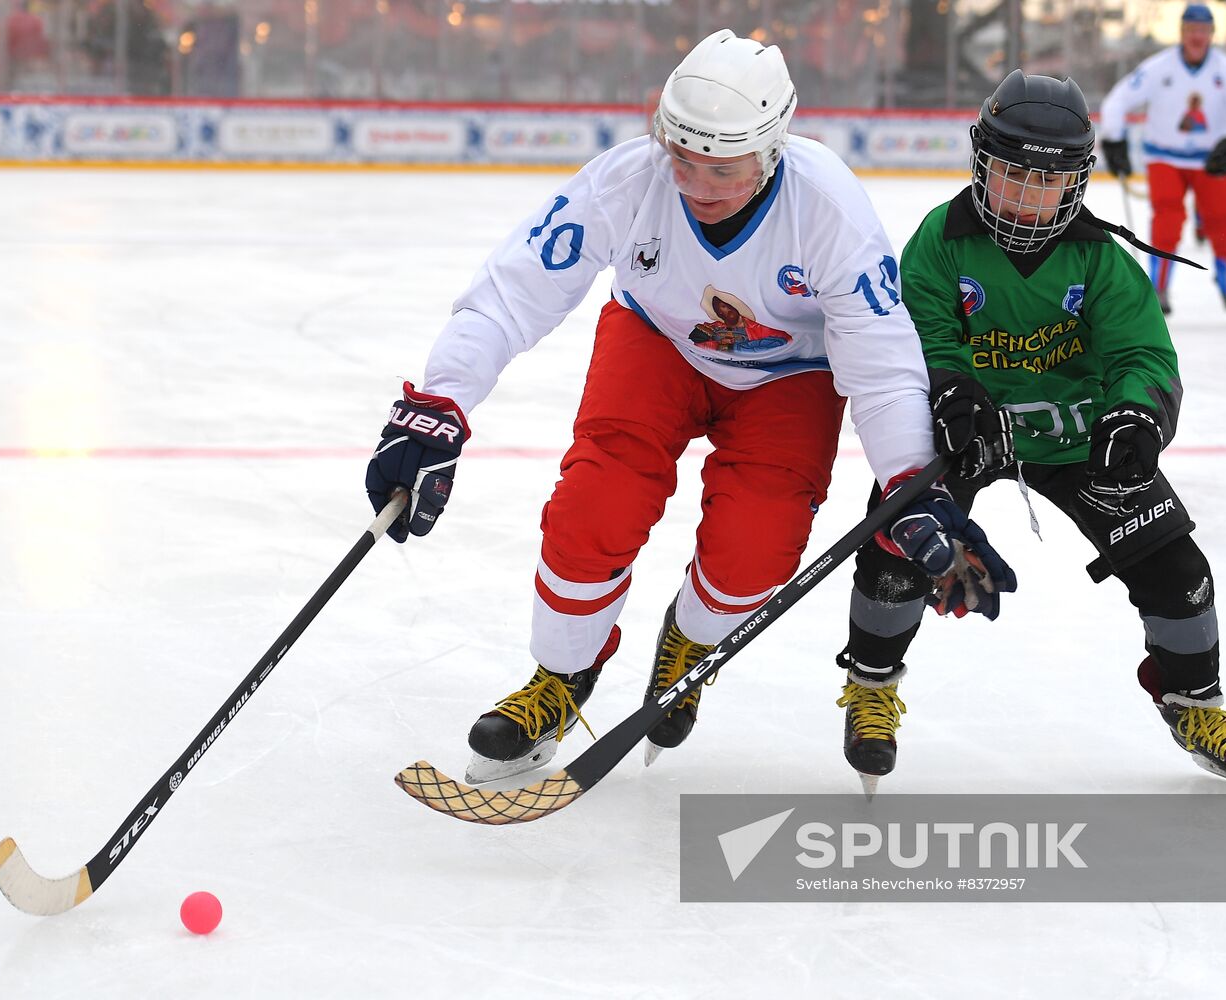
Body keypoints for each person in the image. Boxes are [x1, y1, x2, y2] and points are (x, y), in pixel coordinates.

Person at [365, 29, 1015, 784]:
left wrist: (911, 485)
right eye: (683, 158)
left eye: (724, 168)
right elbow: (516, 290)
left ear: (771, 151)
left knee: (753, 553)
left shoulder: (829, 207)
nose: (698, 185)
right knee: (595, 506)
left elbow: (881, 362)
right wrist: (437, 402)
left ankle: (689, 642)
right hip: (656, 344)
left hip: (788, 377)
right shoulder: (629, 179)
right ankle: (562, 677)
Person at [833, 69, 1226, 793]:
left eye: (1047, 183)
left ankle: (1194, 703)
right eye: (1011, 177)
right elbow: (924, 337)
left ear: (1075, 184)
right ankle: (872, 686)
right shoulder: (940, 243)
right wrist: (949, 390)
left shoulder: (1099, 257)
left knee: (1178, 569)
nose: (1026, 198)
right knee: (897, 541)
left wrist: (1139, 414)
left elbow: (1144, 354)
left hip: (1077, 437)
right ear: (982, 163)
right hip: (970, 432)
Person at [1099, 3, 1226, 319]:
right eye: (1191, 30)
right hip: (1165, 157)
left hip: (1209, 160)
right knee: (1167, 220)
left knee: (1224, 221)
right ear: (1182, 32)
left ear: (1212, 34)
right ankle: (1158, 289)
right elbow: (1118, 99)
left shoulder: (1224, 70)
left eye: (1203, 31)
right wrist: (1114, 138)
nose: (1197, 37)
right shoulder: (1160, 67)